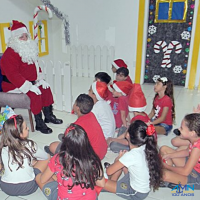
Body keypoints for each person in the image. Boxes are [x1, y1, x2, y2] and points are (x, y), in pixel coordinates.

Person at [0, 20, 62, 134]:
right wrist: (28, 86)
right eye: (21, 37)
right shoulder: (9, 54)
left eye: (26, 36)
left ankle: (49, 116)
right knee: (34, 94)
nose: (25, 39)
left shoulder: (28, 50)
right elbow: (13, 75)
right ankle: (39, 123)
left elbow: (36, 66)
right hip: (13, 85)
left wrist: (40, 79)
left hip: (30, 82)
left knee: (45, 89)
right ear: (14, 39)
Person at [36, 123, 105, 200]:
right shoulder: (93, 159)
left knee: (38, 177)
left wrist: (55, 174)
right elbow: (101, 184)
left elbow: (43, 179)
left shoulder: (58, 159)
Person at [103, 120, 162, 200]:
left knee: (99, 181)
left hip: (136, 192)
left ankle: (112, 184)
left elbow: (109, 171)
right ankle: (113, 182)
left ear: (127, 135)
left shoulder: (131, 155)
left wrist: (118, 159)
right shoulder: (146, 146)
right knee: (122, 165)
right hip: (139, 184)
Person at [45, 94, 107, 160]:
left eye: (75, 103)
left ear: (77, 108)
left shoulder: (75, 127)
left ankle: (58, 153)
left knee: (53, 146)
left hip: (89, 159)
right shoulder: (92, 115)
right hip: (102, 152)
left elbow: (67, 145)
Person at [0, 114, 50, 196]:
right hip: (28, 187)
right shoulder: (30, 144)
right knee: (47, 157)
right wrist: (34, 161)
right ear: (20, 134)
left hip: (6, 187)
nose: (28, 128)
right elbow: (44, 156)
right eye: (26, 127)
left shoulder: (2, 146)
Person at [108, 84, 154, 153]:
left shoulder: (136, 121)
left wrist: (113, 140)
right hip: (141, 140)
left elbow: (128, 142)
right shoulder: (144, 115)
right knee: (123, 128)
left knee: (113, 146)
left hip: (140, 146)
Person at [160, 113, 200, 189]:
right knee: (164, 149)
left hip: (197, 176)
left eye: (181, 128)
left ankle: (172, 179)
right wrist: (170, 155)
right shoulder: (195, 139)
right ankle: (172, 177)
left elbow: (185, 172)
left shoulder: (197, 148)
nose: (178, 129)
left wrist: (167, 167)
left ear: (192, 133)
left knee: (164, 174)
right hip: (192, 166)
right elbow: (187, 152)